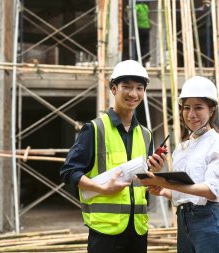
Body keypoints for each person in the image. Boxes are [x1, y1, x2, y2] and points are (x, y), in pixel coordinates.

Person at [60, 60, 166, 253]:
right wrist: (101, 188)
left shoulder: (146, 134)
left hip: (138, 229)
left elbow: (142, 179)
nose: (133, 94)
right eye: (127, 87)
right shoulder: (94, 129)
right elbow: (69, 172)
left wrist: (155, 172)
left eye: (139, 88)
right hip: (105, 232)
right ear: (114, 89)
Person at [139, 76, 219, 253]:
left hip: (209, 223)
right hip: (183, 222)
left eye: (198, 107)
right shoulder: (182, 148)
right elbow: (185, 193)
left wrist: (165, 182)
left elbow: (210, 191)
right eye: (186, 108)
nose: (191, 114)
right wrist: (164, 191)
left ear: (212, 109)